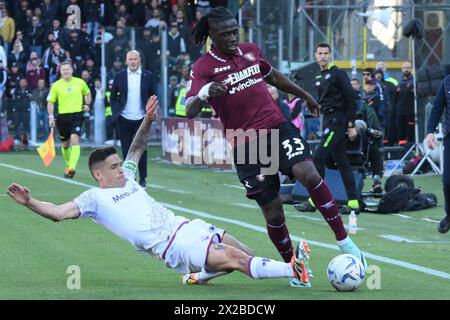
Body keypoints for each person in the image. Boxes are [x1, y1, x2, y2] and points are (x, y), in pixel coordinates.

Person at [5, 96, 309, 287]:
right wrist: (29, 201)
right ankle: (293, 270)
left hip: (188, 226)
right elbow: (58, 213)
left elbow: (136, 148)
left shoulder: (130, 178)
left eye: (119, 164)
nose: (121, 168)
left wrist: (148, 120)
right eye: (114, 167)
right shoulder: (94, 199)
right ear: (98, 174)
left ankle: (197, 276)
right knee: (236, 260)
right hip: (173, 245)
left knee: (248, 254)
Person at [185, 6, 367, 287]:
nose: (234, 38)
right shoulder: (203, 69)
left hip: (276, 128)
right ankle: (295, 269)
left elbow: (272, 76)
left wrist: (305, 95)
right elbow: (189, 110)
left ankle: (345, 241)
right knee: (273, 211)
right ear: (212, 35)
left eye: (235, 31)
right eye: (226, 34)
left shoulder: (250, 51)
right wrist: (205, 92)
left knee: (308, 173)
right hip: (246, 144)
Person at [305, 42, 361, 214]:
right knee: (342, 163)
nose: (322, 56)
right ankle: (353, 203)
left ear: (330, 55)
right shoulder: (318, 76)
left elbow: (351, 98)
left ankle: (315, 200)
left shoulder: (338, 73)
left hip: (338, 121)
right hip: (327, 120)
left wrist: (351, 125)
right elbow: (325, 100)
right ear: (315, 56)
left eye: (325, 53)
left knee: (318, 158)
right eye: (319, 53)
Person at [110, 50, 156, 188]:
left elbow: (153, 95)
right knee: (126, 149)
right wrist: (116, 111)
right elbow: (113, 96)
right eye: (130, 59)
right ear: (126, 61)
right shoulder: (119, 76)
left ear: (140, 60)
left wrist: (151, 113)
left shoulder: (148, 76)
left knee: (141, 149)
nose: (133, 62)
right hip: (124, 117)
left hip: (142, 118)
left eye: (135, 59)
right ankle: (130, 177)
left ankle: (143, 178)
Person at [47, 60, 92, 178]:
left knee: (75, 140)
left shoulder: (80, 82)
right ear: (60, 72)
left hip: (77, 116)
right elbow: (50, 102)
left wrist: (87, 104)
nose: (66, 71)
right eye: (63, 69)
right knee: (65, 145)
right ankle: (68, 164)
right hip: (62, 118)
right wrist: (51, 116)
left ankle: (72, 168)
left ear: (72, 70)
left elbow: (87, 93)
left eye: (68, 69)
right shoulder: (56, 85)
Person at [426, 75, 450, 234]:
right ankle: (449, 214)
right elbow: (437, 107)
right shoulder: (447, 81)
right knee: (448, 180)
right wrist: (430, 132)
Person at [394, 62, 415, 145]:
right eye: (404, 68)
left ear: (411, 69)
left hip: (411, 112)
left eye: (408, 67)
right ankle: (402, 151)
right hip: (400, 112)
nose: (406, 69)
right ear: (402, 69)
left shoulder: (414, 81)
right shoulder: (399, 82)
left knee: (411, 133)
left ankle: (412, 149)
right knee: (401, 133)